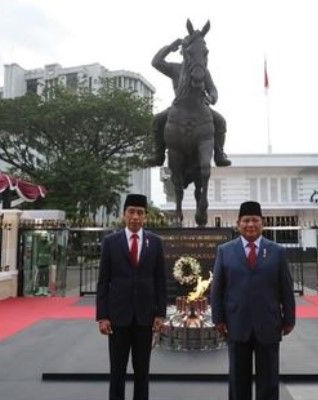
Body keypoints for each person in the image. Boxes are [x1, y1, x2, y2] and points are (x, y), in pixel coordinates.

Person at [211, 201, 296, 400]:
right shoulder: (225, 251)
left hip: (268, 324)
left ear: (262, 223)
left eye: (255, 220)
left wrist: (289, 319)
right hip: (237, 323)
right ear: (238, 223)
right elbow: (217, 289)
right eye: (246, 220)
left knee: (269, 380)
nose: (250, 224)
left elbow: (286, 288)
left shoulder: (277, 251)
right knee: (238, 379)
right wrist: (218, 319)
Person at [96, 194, 167, 400]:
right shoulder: (111, 242)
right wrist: (102, 316)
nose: (135, 217)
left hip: (145, 318)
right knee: (117, 371)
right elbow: (103, 282)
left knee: (142, 371)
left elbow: (160, 281)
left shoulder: (155, 242)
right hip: (118, 317)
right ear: (124, 215)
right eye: (131, 212)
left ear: (145, 216)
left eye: (140, 213)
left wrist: (160, 314)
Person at [146, 34, 231, 167]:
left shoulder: (203, 71)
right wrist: (169, 48)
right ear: (184, 53)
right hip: (179, 107)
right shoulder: (174, 68)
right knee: (158, 120)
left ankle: (219, 154)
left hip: (201, 107)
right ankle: (159, 154)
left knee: (220, 121)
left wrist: (211, 98)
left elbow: (213, 89)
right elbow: (156, 62)